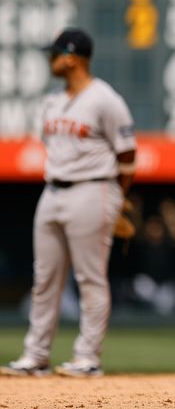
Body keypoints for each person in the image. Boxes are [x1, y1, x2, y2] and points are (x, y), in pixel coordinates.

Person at [0, 28, 137, 378]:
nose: (50, 59)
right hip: (52, 191)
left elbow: (128, 154)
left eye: (55, 53)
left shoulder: (105, 99)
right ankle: (36, 356)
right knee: (43, 279)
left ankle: (88, 357)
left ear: (72, 56)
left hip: (93, 189)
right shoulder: (52, 101)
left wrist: (117, 197)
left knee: (89, 278)